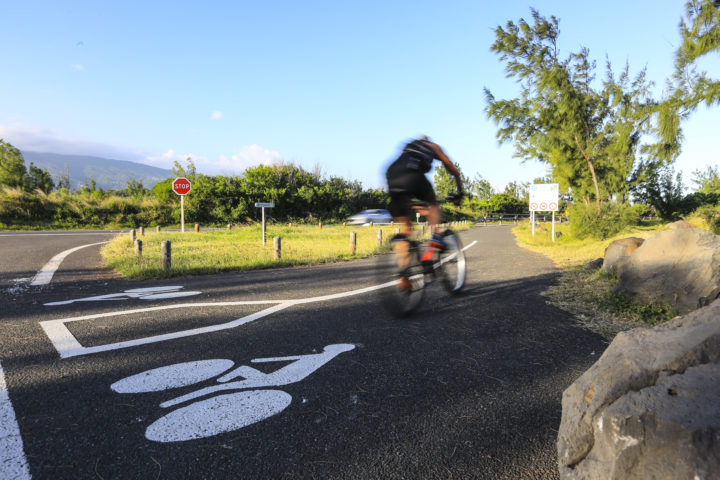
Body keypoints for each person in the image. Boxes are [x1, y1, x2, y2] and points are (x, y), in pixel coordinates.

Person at [385, 136, 464, 285]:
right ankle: (436, 237)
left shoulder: (409, 146)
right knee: (433, 202)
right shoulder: (433, 146)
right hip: (413, 176)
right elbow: (453, 170)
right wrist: (460, 192)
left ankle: (403, 276)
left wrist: (417, 203)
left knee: (406, 231)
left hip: (391, 175)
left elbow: (406, 185)